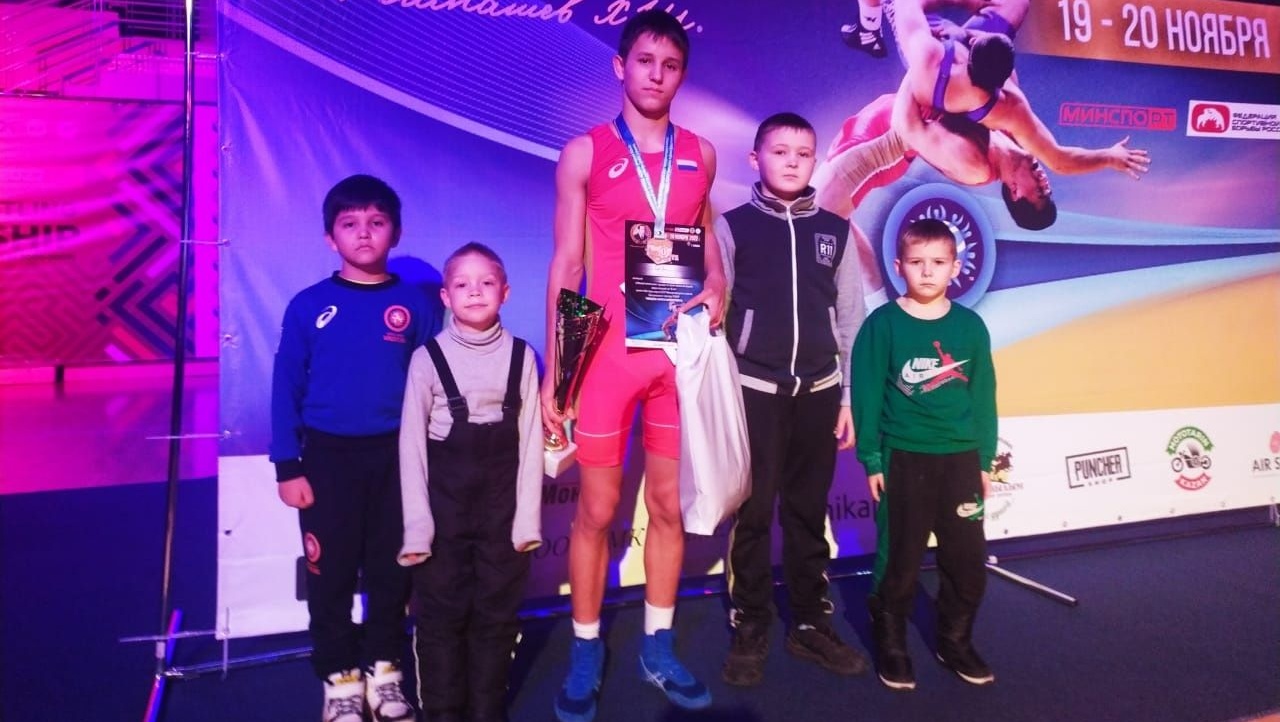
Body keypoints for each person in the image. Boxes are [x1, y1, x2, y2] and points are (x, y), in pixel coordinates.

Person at [541, 9, 727, 722]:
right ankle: (587, 646)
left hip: (676, 357)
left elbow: (707, 237)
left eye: (671, 65)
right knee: (595, 510)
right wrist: (559, 371)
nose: (656, 75)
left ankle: (658, 645)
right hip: (608, 357)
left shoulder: (701, 153)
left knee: (669, 507)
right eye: (645, 61)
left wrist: (718, 284)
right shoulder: (583, 153)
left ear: (683, 75)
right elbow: (567, 264)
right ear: (621, 67)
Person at [269, 174, 437, 722]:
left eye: (376, 222)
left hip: (397, 459)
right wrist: (287, 465)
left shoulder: (415, 305)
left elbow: (435, 384)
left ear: (396, 232)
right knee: (332, 573)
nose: (363, 233)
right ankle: (340, 676)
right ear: (330, 238)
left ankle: (384, 669)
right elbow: (285, 387)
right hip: (327, 461)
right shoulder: (308, 306)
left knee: (392, 570)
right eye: (349, 224)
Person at [714, 112, 869, 687]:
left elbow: (851, 319)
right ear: (755, 159)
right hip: (754, 393)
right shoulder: (731, 228)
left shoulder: (835, 230)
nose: (792, 161)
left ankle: (809, 622)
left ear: (815, 162)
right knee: (754, 513)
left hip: (820, 394)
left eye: (804, 153)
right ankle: (751, 621)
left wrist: (849, 396)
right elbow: (716, 316)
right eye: (780, 151)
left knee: (807, 511)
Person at [850, 217, 998, 691]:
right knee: (900, 560)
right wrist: (872, 459)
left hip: (960, 460)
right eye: (917, 262)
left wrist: (984, 460)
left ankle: (954, 639)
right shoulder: (882, 325)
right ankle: (891, 639)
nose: (928, 271)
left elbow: (983, 396)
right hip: (905, 458)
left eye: (938, 262)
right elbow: (867, 395)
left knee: (968, 561)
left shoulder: (970, 326)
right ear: (898, 267)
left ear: (955, 267)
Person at [399, 242, 542, 722]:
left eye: (486, 283)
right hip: (444, 513)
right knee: (441, 616)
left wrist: (527, 522)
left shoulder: (523, 357)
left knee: (497, 616)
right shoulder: (427, 359)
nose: (475, 292)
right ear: (446, 297)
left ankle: (487, 709)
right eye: (462, 284)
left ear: (505, 292)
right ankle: (442, 711)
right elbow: (411, 448)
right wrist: (418, 528)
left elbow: (531, 442)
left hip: (503, 514)